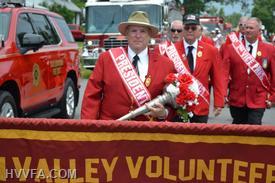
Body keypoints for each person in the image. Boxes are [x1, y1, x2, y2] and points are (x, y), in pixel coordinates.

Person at [81, 11, 176, 121]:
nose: (138, 35)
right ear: (126, 33)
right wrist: (88, 128)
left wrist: (163, 113)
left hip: (148, 132)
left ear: (149, 35)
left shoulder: (166, 64)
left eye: (143, 31)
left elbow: (173, 103)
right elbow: (91, 97)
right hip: (112, 130)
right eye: (133, 31)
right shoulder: (107, 59)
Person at [162, 14, 225, 123]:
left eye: (193, 28)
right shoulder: (171, 51)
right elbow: (164, 78)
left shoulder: (211, 50)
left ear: (199, 30)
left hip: (201, 106)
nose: (190, 30)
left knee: (199, 139)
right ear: (182, 29)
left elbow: (217, 78)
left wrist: (219, 102)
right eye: (187, 27)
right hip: (178, 107)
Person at [223, 17, 275, 125]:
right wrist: (223, 94)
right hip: (236, 98)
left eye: (251, 28)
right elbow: (224, 74)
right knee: (238, 129)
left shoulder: (269, 49)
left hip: (258, 98)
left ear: (259, 31)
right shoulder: (232, 48)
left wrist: (272, 96)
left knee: (254, 128)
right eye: (246, 27)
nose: (247, 30)